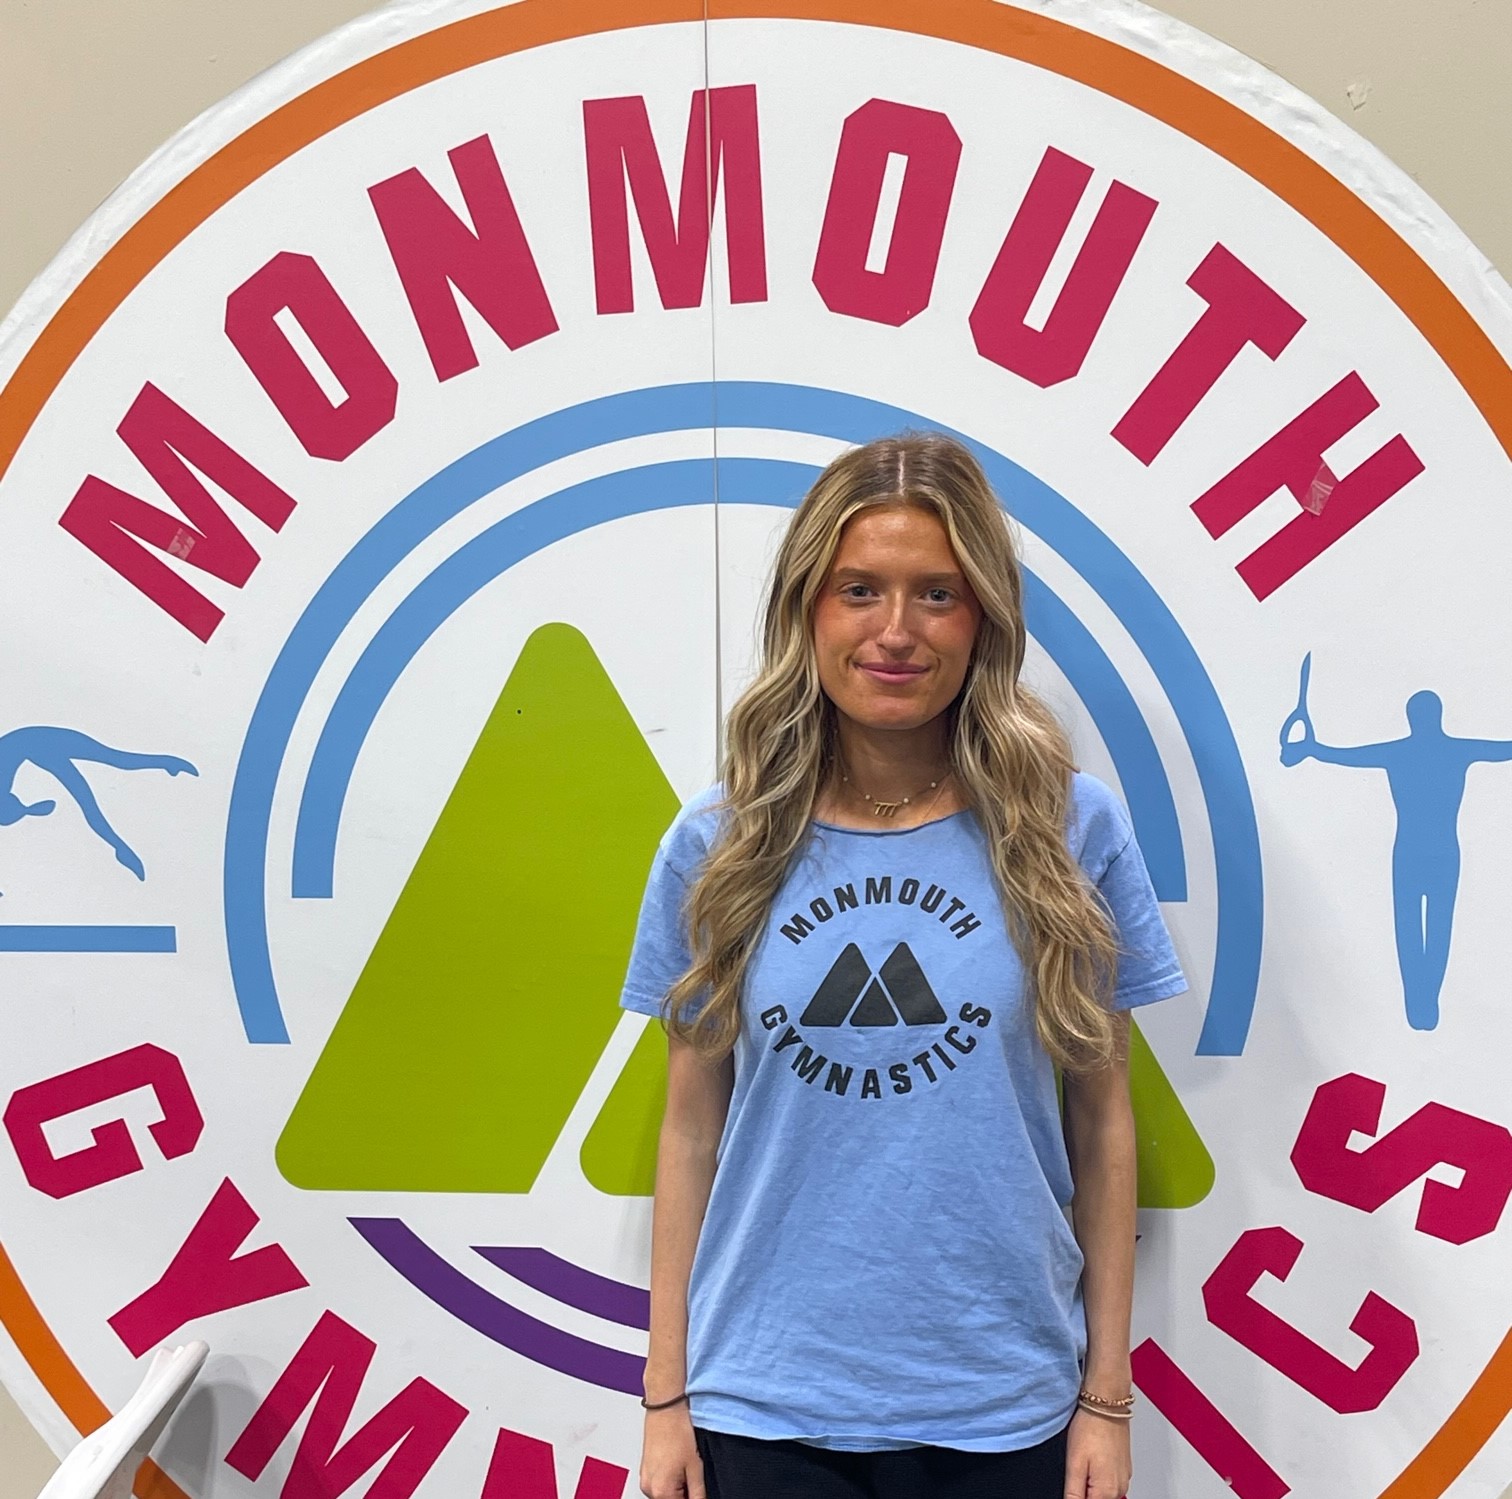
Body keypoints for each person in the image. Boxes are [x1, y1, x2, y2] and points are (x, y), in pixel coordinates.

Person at [619, 433, 1186, 1499]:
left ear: (984, 618)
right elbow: (690, 1129)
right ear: (806, 611)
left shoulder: (1069, 829)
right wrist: (664, 1394)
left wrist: (1106, 1397)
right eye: (858, 590)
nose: (895, 630)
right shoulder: (720, 843)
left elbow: (1103, 1123)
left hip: (1004, 1398)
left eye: (937, 593)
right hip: (763, 1400)